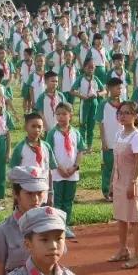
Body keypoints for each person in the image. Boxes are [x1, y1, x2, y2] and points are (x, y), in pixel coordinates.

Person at [108, 101, 138, 269]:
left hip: (131, 181)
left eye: (127, 113)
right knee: (121, 218)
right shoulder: (118, 134)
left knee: (135, 220)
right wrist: (111, 181)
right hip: (118, 181)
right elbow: (115, 162)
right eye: (121, 113)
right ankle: (123, 249)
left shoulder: (136, 136)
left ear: (135, 116)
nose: (123, 116)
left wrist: (132, 183)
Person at [48, 102, 83, 239]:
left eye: (64, 114)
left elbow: (80, 151)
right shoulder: (52, 133)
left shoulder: (76, 133)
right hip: (58, 174)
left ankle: (66, 225)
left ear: (71, 115)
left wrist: (75, 167)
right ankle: (57, 225)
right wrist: (60, 168)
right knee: (58, 200)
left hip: (72, 173)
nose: (61, 117)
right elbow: (50, 153)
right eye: (58, 114)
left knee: (68, 200)